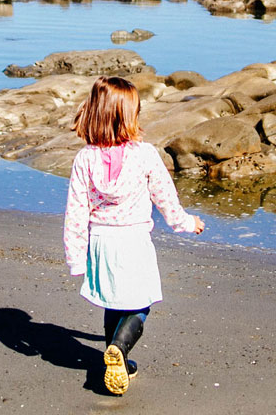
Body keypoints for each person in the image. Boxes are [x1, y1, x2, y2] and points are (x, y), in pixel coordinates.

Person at [63, 76, 205, 396]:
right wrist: (186, 222)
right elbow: (165, 197)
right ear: (130, 117)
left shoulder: (85, 158)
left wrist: (75, 256)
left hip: (100, 242)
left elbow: (75, 212)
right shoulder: (144, 155)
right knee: (140, 303)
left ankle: (117, 360)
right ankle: (119, 350)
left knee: (113, 302)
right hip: (133, 241)